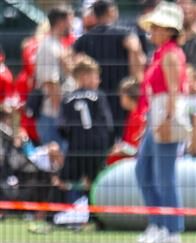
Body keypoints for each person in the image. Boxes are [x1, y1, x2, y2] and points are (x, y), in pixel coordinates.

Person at [135, 1, 189, 243]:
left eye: (158, 27)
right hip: (156, 117)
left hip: (164, 116)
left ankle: (171, 228)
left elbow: (174, 91)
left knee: (163, 176)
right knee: (144, 171)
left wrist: (167, 120)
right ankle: (158, 224)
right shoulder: (161, 53)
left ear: (170, 30)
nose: (152, 30)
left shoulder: (169, 54)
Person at [72, 0, 145, 139]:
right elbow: (135, 50)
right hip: (122, 97)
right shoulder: (125, 33)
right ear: (112, 12)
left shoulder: (84, 39)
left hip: (95, 97)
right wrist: (137, 81)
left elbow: (69, 59)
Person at [57, 55, 114, 202]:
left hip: (76, 147)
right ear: (84, 76)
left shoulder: (67, 98)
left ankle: (69, 212)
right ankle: (96, 215)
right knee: (96, 180)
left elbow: (62, 127)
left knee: (69, 180)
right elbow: (108, 124)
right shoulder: (99, 96)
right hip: (97, 146)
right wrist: (107, 144)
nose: (98, 81)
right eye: (96, 76)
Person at [36, 6, 73, 149]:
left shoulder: (57, 44)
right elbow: (51, 83)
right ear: (61, 22)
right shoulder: (48, 46)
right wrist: (61, 115)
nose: (72, 25)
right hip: (53, 117)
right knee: (57, 167)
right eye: (70, 20)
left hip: (57, 115)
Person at [106, 77, 146, 165]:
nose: (120, 99)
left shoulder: (139, 117)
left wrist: (121, 149)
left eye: (122, 96)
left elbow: (136, 150)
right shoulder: (132, 115)